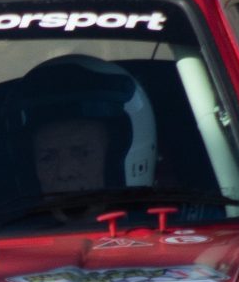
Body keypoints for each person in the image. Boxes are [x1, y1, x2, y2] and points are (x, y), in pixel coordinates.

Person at [12, 54, 156, 194]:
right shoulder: (5, 218)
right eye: (47, 158)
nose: (64, 172)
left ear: (115, 160)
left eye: (82, 153)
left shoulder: (169, 217)